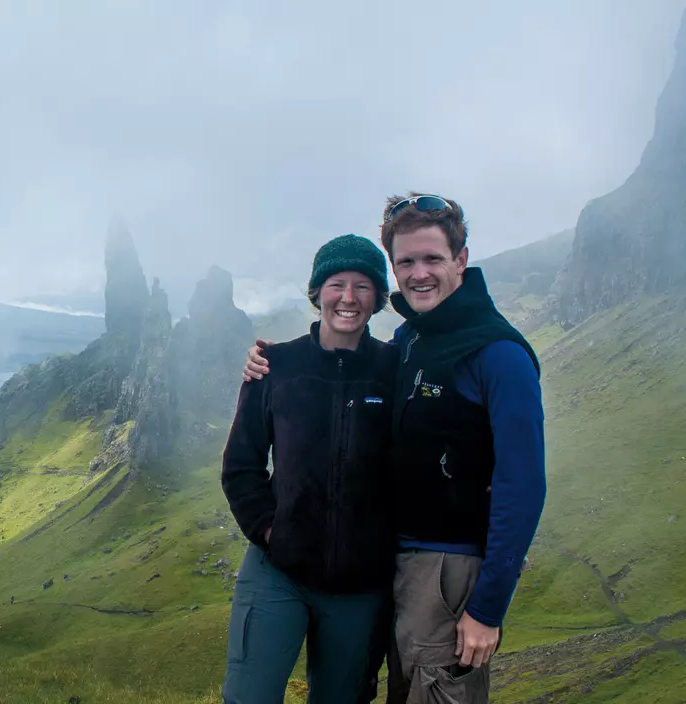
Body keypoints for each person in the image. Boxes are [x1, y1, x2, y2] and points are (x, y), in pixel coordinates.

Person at [242, 193, 547, 703]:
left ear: (462, 259)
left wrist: (487, 610)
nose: (419, 273)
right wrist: (270, 365)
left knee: (435, 693)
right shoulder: (411, 339)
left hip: (448, 569)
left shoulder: (499, 354)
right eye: (406, 261)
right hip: (394, 564)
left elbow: (524, 484)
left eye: (432, 258)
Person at [221, 234, 398, 704]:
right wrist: (269, 530)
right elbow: (241, 464)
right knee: (249, 697)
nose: (348, 298)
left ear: (378, 298)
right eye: (336, 284)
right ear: (317, 292)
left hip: (360, 584)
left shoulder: (395, 369)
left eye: (363, 286)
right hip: (278, 568)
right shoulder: (276, 365)